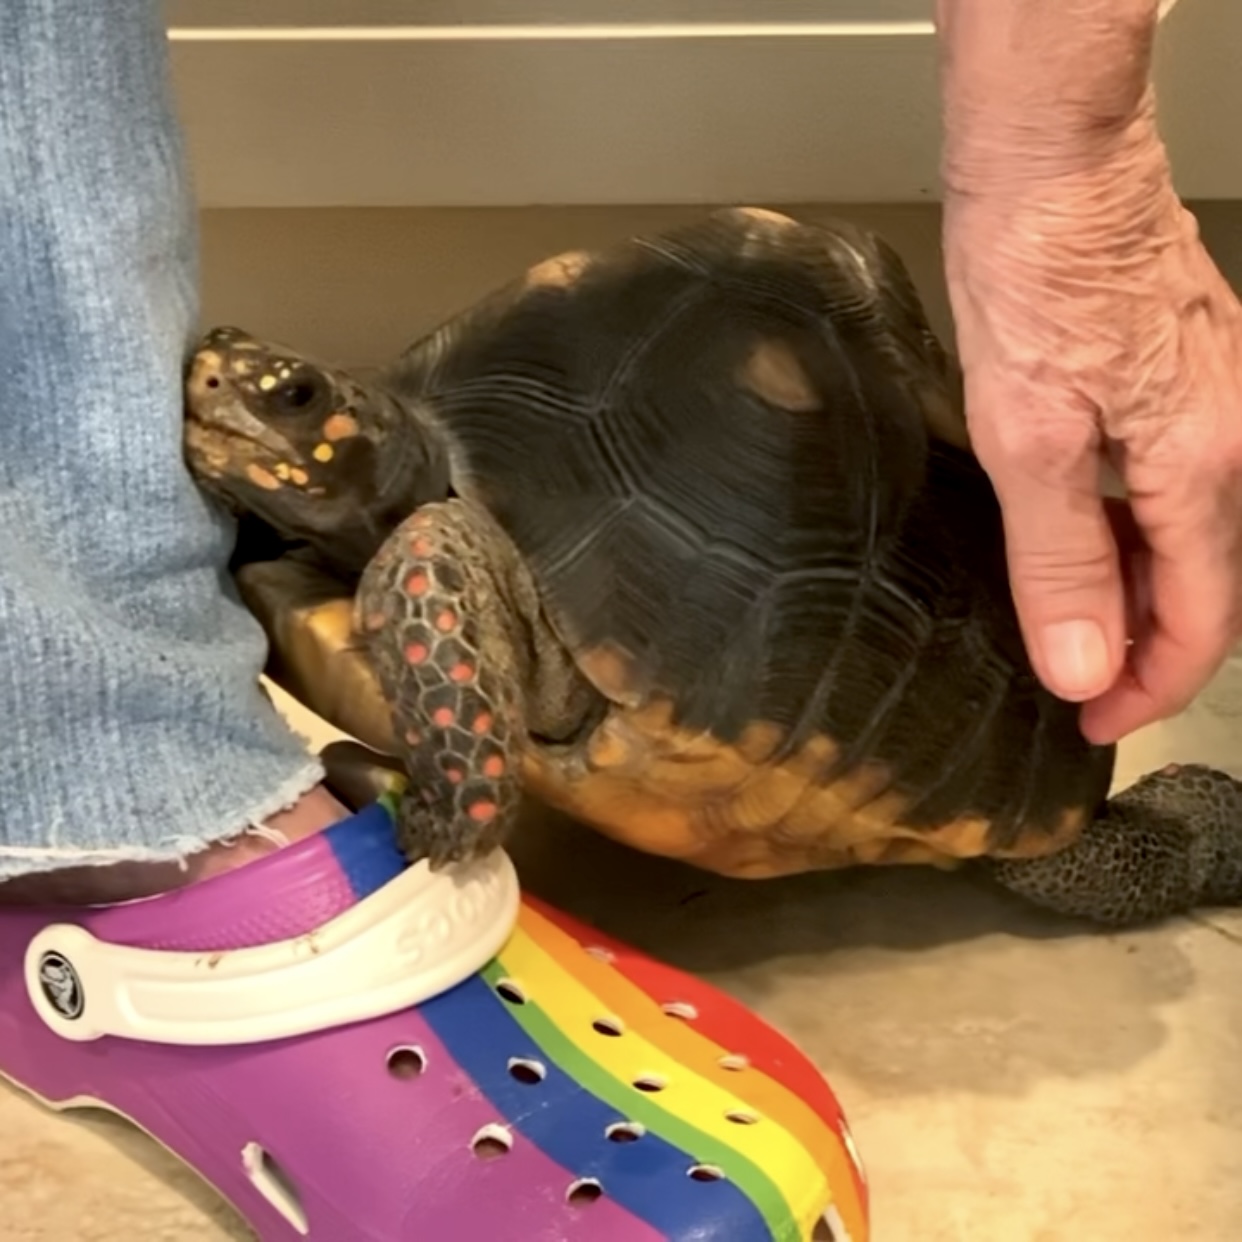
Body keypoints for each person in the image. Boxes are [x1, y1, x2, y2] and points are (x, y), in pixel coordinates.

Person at [0, 0, 1234, 1233]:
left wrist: (451, 812)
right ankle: (114, 800)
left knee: (1071, 859)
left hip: (851, 608)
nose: (222, 392)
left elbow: (436, 556)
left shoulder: (435, 548)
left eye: (292, 395)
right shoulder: (382, 520)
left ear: (356, 419)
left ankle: (1173, 840)